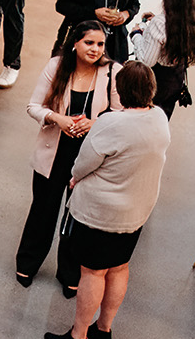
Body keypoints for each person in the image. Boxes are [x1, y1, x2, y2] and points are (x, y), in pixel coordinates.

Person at [43, 61, 170, 339]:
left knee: (93, 272)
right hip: (136, 212)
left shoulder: (111, 122)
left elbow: (84, 163)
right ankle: (104, 329)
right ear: (151, 89)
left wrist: (74, 178)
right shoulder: (160, 119)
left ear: (121, 90)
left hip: (102, 214)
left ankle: (77, 337)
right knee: (119, 267)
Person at [15, 20, 121, 291]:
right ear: (75, 42)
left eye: (100, 44)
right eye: (89, 43)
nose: (95, 49)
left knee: (77, 219)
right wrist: (57, 119)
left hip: (90, 160)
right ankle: (27, 264)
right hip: (54, 153)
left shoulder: (113, 72)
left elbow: (122, 115)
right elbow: (33, 106)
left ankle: (69, 274)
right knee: (42, 211)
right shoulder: (57, 66)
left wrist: (95, 123)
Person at [134, 0, 195, 115]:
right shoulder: (193, 19)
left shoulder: (160, 23)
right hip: (175, 81)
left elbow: (147, 61)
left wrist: (137, 35)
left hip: (155, 84)